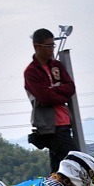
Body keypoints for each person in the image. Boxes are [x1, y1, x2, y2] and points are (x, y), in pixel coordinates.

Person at [24, 28, 78, 171]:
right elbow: (44, 97)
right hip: (49, 127)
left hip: (65, 122)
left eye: (52, 46)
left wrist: (53, 90)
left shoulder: (57, 66)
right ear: (37, 46)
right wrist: (59, 93)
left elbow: (70, 88)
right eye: (48, 46)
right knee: (76, 161)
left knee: (59, 169)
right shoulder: (31, 72)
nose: (51, 50)